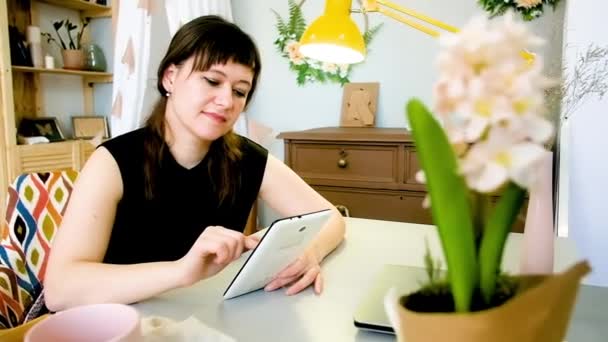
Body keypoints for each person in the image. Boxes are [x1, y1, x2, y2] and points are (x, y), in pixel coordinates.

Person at [44, 15, 345, 311]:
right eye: (212, 81)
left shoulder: (247, 159)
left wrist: (310, 252)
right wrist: (180, 271)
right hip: (114, 323)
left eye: (240, 91)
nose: (227, 101)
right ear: (170, 77)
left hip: (198, 321)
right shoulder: (112, 161)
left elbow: (332, 218)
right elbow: (60, 289)